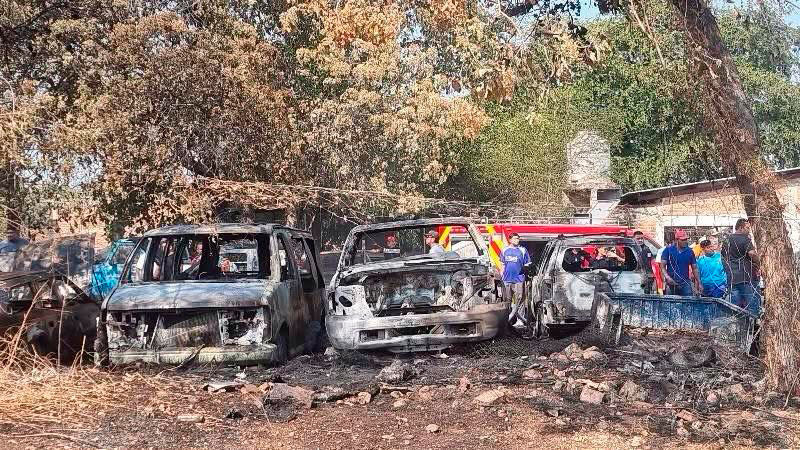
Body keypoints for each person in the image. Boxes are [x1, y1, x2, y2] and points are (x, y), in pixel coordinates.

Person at [721, 218, 760, 315]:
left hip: (732, 278)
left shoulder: (727, 240)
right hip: (746, 277)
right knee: (751, 304)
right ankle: (753, 325)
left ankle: (736, 324)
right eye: (747, 228)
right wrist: (759, 263)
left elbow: (723, 258)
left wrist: (728, 271)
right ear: (741, 228)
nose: (748, 230)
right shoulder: (745, 239)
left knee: (734, 306)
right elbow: (752, 254)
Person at [659, 229, 700, 296]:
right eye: (682, 240)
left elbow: (694, 268)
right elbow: (662, 266)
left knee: (687, 303)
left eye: (686, 239)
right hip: (671, 283)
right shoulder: (668, 250)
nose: (685, 241)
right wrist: (667, 277)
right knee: (670, 304)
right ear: (676, 240)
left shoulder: (690, 252)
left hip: (685, 283)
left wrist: (699, 282)